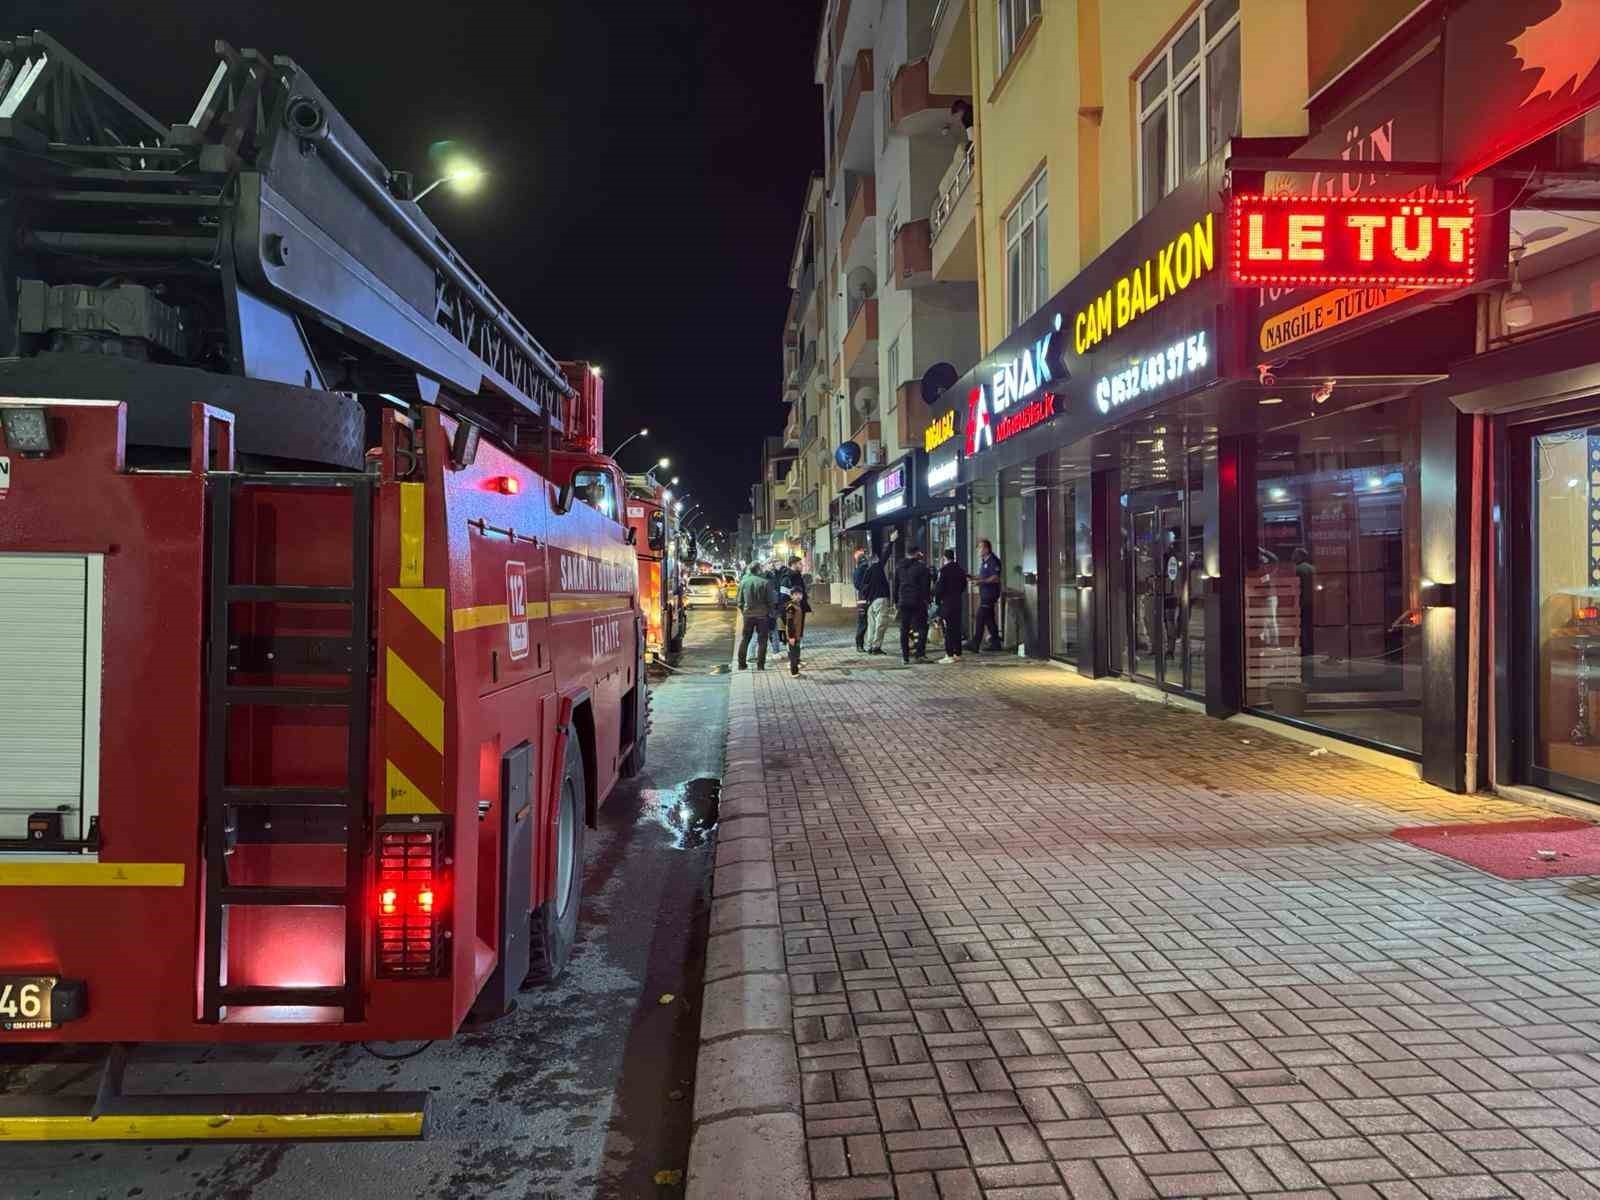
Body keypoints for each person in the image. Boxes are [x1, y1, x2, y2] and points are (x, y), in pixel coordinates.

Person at [897, 545, 933, 664]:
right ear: (917, 553)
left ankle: (905, 656)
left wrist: (896, 601)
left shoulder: (900, 566)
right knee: (922, 627)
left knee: (904, 629)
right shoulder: (922, 568)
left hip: (903, 601)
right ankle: (920, 653)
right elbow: (925, 586)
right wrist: (927, 600)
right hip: (917, 601)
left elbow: (896, 584)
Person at [735, 561, 772, 670]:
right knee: (762, 640)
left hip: (748, 615)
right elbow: (771, 601)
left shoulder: (744, 582)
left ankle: (741, 665)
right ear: (759, 570)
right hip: (762, 616)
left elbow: (739, 601)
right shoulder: (765, 582)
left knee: (745, 639)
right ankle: (760, 665)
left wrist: (744, 612)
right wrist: (768, 612)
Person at [778, 555, 811, 676]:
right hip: (791, 612)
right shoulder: (787, 578)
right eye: (800, 564)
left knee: (797, 636)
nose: (802, 566)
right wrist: (788, 612)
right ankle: (792, 662)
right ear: (793, 564)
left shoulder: (797, 576)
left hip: (799, 611)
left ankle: (796, 659)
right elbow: (783, 597)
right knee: (791, 637)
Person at [934, 549, 968, 663]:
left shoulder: (943, 570)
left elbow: (939, 588)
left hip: (947, 602)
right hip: (957, 601)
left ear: (944, 558)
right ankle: (957, 653)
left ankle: (949, 654)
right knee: (957, 628)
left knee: (948, 629)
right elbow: (964, 585)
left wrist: (937, 601)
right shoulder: (960, 570)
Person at [970, 538, 1003, 652]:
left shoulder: (993, 561)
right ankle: (996, 643)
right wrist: (973, 577)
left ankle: (975, 644)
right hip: (984, 594)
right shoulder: (984, 562)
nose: (979, 550)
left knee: (980, 617)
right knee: (989, 620)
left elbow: (995, 577)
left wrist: (981, 582)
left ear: (987, 549)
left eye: (980, 547)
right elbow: (983, 576)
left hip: (990, 594)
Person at [863, 548, 892, 654]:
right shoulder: (878, 567)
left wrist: (867, 599)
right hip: (881, 599)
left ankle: (869, 645)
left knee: (871, 625)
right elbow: (886, 555)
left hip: (871, 602)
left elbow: (863, 587)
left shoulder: (868, 571)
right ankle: (876, 647)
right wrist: (891, 542)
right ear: (877, 559)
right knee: (881, 624)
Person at [850, 547, 871, 652]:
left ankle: (861, 645)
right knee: (863, 623)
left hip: (864, 599)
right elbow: (859, 585)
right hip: (864, 599)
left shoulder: (859, 570)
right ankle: (860, 645)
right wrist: (867, 587)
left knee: (863, 623)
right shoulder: (860, 571)